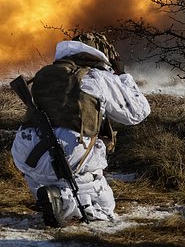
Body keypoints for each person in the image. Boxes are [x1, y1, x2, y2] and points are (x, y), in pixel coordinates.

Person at [11, 32, 151, 227]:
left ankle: (48, 198)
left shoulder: (44, 73)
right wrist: (122, 76)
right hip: (67, 155)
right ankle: (62, 200)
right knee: (104, 207)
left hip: (24, 154)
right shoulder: (97, 77)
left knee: (45, 177)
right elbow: (137, 113)